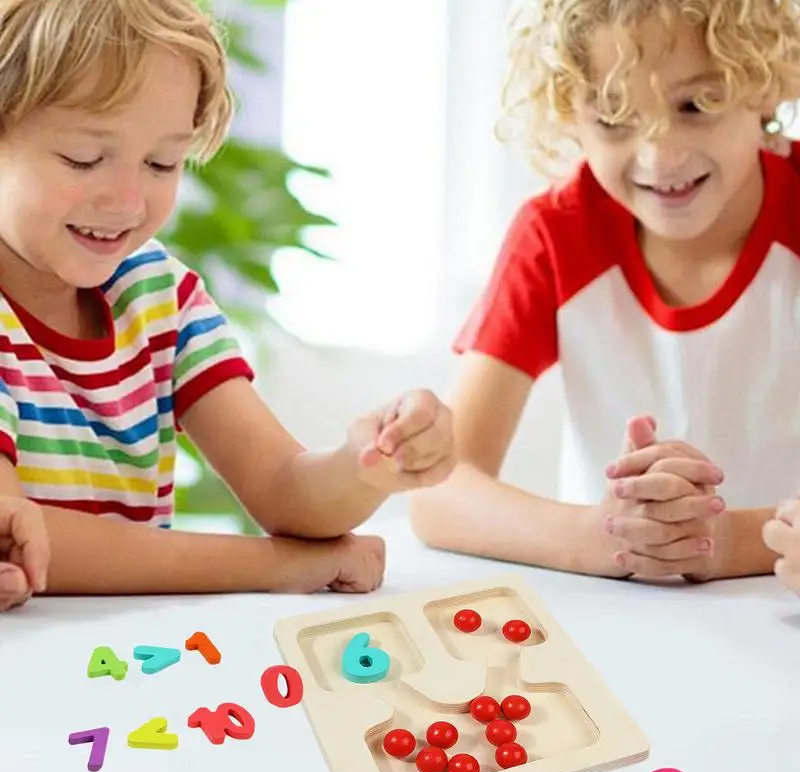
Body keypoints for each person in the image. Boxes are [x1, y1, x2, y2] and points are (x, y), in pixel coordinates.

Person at [0, 0, 456, 613]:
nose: (129, 200)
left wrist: (366, 463)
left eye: (163, 162)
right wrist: (277, 565)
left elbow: (284, 488)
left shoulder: (160, 297)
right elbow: (24, 538)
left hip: (118, 667)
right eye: (84, 157)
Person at [409, 0, 800, 584]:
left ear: (764, 84)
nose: (659, 157)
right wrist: (600, 538)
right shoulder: (558, 233)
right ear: (570, 113)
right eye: (614, 117)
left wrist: (725, 543)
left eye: (696, 105)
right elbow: (437, 487)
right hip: (617, 618)